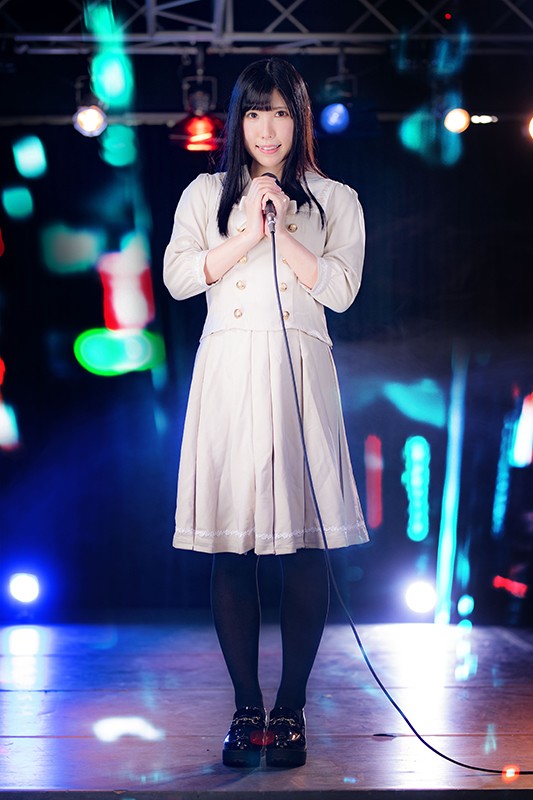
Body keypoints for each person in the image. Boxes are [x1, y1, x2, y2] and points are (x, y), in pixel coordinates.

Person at [163, 57, 369, 769]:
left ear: (299, 119)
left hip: (299, 376)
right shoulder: (204, 194)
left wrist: (283, 231)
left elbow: (340, 290)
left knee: (304, 544)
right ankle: (245, 708)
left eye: (280, 113)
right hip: (228, 375)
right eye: (255, 113)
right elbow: (180, 277)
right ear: (237, 122)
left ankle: (290, 711)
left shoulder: (335, 199)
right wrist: (248, 230)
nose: (268, 129)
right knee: (233, 544)